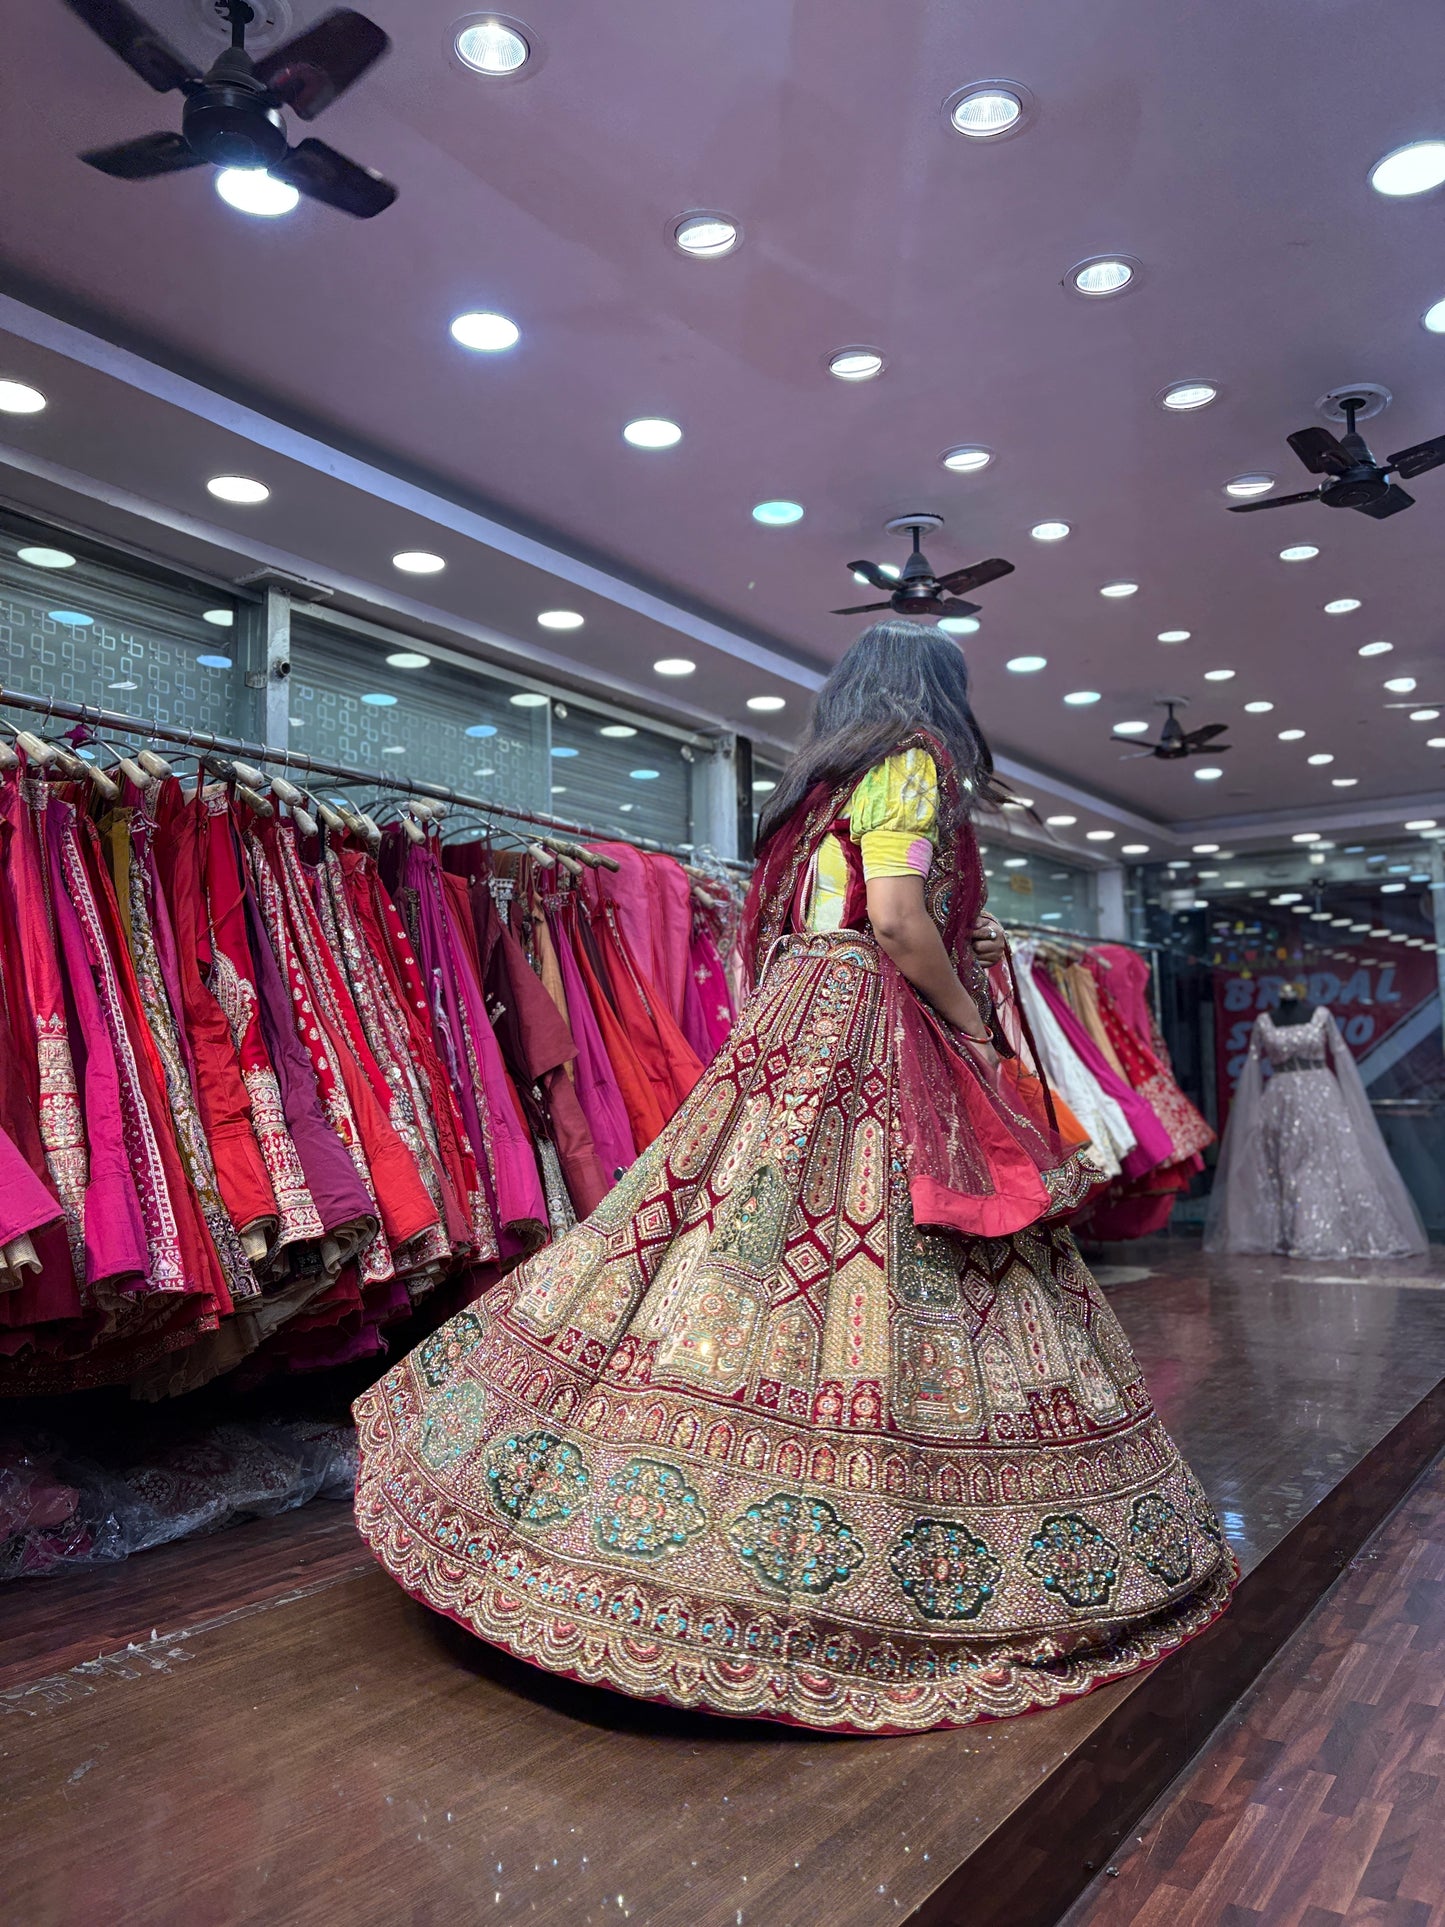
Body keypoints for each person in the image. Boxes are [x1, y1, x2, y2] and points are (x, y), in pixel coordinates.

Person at [354, 620, 1235, 1734]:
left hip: (791, 1022)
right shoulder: (912, 761)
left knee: (709, 1234)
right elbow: (902, 922)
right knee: (890, 1246)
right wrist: (977, 1034)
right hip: (872, 1018)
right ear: (937, 696)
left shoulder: (814, 788)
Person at [1204, 983, 1427, 1260]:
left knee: (1326, 1160)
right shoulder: (1264, 1021)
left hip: (1321, 1095)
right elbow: (1252, 1063)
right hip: (1280, 1097)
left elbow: (1341, 1055)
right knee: (1284, 1164)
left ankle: (1328, 1231)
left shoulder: (1321, 1015)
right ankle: (1288, 1232)